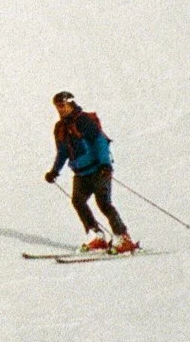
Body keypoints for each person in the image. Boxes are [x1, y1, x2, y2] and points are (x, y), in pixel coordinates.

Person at [46, 92, 134, 251]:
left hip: (98, 170)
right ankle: (97, 236)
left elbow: (99, 141)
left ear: (70, 104)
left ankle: (123, 238)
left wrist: (105, 164)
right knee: (78, 202)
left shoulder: (83, 121)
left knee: (104, 204)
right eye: (57, 107)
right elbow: (62, 152)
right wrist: (54, 171)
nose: (60, 110)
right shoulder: (60, 128)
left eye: (62, 106)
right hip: (80, 174)